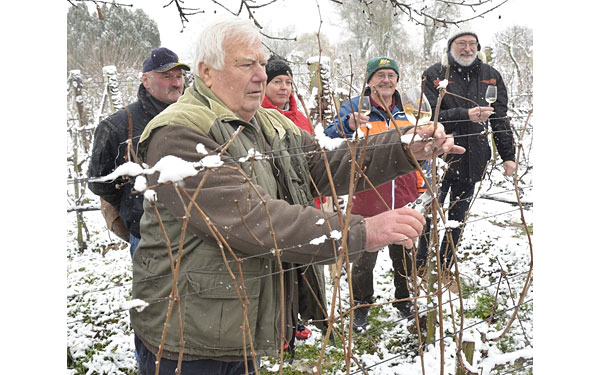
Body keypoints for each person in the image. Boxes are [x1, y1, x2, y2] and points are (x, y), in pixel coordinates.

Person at [130, 17, 463, 375]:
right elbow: (250, 220)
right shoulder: (178, 133)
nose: (260, 74)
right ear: (207, 73)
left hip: (233, 320)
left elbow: (324, 165)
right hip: (186, 336)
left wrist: (403, 147)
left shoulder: (268, 123)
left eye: (261, 62)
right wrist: (361, 232)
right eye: (247, 64)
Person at [324, 57, 423, 332]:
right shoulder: (355, 108)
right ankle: (361, 305)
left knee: (403, 255)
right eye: (380, 75)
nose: (386, 80)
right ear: (369, 81)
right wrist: (347, 124)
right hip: (366, 197)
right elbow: (328, 138)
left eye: (391, 75)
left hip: (402, 196)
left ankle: (404, 301)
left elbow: (419, 151)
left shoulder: (408, 111)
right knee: (363, 258)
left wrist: (420, 183)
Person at [418, 28, 516, 272]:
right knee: (427, 214)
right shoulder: (434, 74)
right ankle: (419, 265)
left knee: (458, 219)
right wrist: (465, 115)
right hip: (438, 157)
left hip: (474, 158)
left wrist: (508, 156)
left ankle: (444, 267)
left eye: (472, 44)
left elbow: (500, 118)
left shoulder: (490, 75)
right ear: (450, 47)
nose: (468, 49)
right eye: (462, 43)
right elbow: (428, 116)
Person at [88, 47, 190, 258]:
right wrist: (132, 207)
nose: (176, 83)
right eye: (166, 76)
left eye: (179, 76)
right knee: (155, 290)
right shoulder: (117, 126)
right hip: (148, 236)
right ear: (145, 80)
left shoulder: (192, 117)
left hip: (194, 231)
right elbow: (100, 181)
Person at [261, 55, 323, 344]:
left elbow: (313, 164)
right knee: (281, 270)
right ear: (265, 84)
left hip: (306, 202)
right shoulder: (258, 118)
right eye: (277, 82)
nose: (284, 87)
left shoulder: (300, 118)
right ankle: (281, 327)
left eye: (288, 82)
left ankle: (299, 319)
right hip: (279, 206)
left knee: (305, 269)